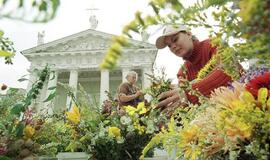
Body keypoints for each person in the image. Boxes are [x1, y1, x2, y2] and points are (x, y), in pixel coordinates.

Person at [155, 25, 242, 109]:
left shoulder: (214, 44)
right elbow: (187, 105)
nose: (173, 46)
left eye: (175, 39)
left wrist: (189, 94)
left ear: (189, 34)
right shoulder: (182, 73)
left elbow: (228, 72)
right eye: (169, 45)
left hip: (247, 99)